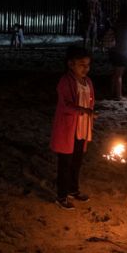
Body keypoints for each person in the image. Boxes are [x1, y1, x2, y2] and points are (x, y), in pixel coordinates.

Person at [50, 46, 96, 210]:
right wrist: (83, 111)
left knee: (77, 161)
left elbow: (90, 101)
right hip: (68, 129)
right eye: (82, 64)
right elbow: (66, 105)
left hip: (81, 128)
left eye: (88, 65)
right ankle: (61, 196)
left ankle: (73, 190)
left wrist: (90, 115)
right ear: (71, 64)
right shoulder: (66, 81)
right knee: (65, 163)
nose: (86, 68)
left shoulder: (87, 81)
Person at [109, 7, 127, 100]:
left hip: (113, 51)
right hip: (122, 52)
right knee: (119, 75)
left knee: (114, 73)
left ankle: (112, 92)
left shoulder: (116, 25)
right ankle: (119, 95)